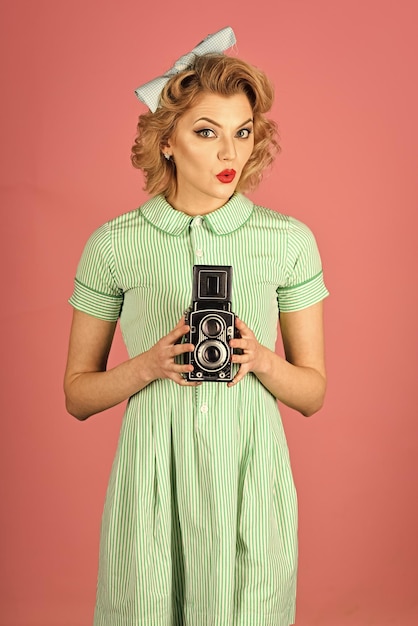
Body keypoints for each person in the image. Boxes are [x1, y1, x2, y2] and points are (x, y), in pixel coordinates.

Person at [64, 26, 328, 626]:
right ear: (166, 141)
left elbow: (313, 393)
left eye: (242, 133)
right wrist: (148, 364)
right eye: (206, 132)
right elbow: (77, 394)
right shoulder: (115, 243)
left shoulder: (287, 241)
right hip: (151, 478)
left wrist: (260, 357)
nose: (229, 154)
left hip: (249, 479)